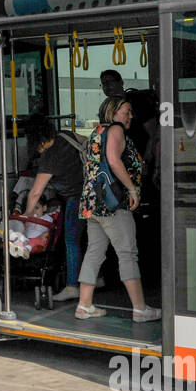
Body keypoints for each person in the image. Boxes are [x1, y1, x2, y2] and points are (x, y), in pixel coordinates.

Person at [77, 96, 161, 323]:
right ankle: (140, 308)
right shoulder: (115, 130)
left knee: (94, 252)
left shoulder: (97, 132)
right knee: (127, 253)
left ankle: (84, 305)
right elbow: (114, 161)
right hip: (113, 203)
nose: (130, 116)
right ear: (113, 112)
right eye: (126, 111)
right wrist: (132, 190)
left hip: (93, 202)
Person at [21, 115, 85, 302]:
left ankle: (72, 286)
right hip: (91, 193)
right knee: (91, 239)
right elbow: (88, 143)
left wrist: (25, 216)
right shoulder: (65, 136)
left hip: (76, 199)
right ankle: (96, 278)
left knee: (72, 241)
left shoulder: (49, 159)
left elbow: (35, 193)